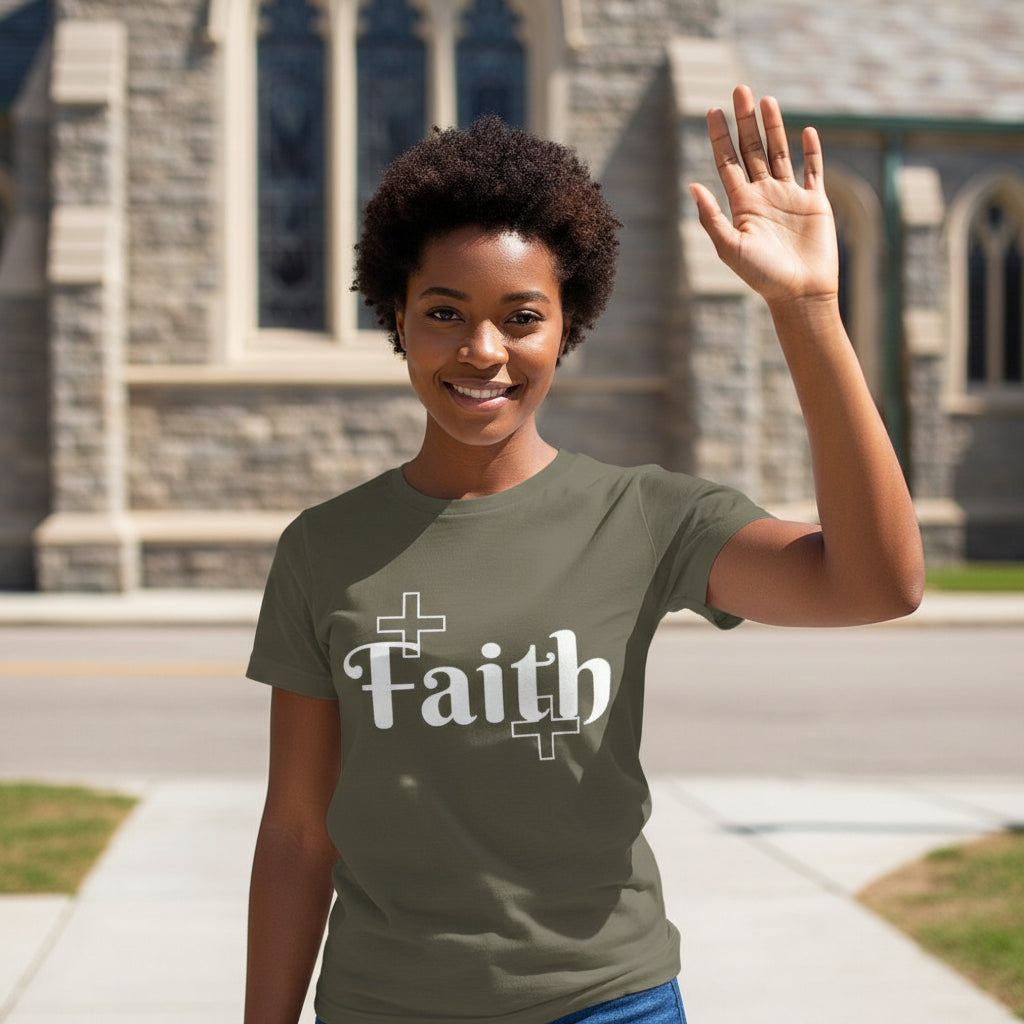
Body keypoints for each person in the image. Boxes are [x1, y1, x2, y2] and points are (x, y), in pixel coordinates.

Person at [244, 86, 924, 1024]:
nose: (483, 349)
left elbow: (878, 584)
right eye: (444, 311)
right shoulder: (323, 550)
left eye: (522, 317)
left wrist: (805, 308)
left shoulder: (643, 516)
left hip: (606, 1004)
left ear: (569, 329)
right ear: (395, 319)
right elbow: (295, 833)